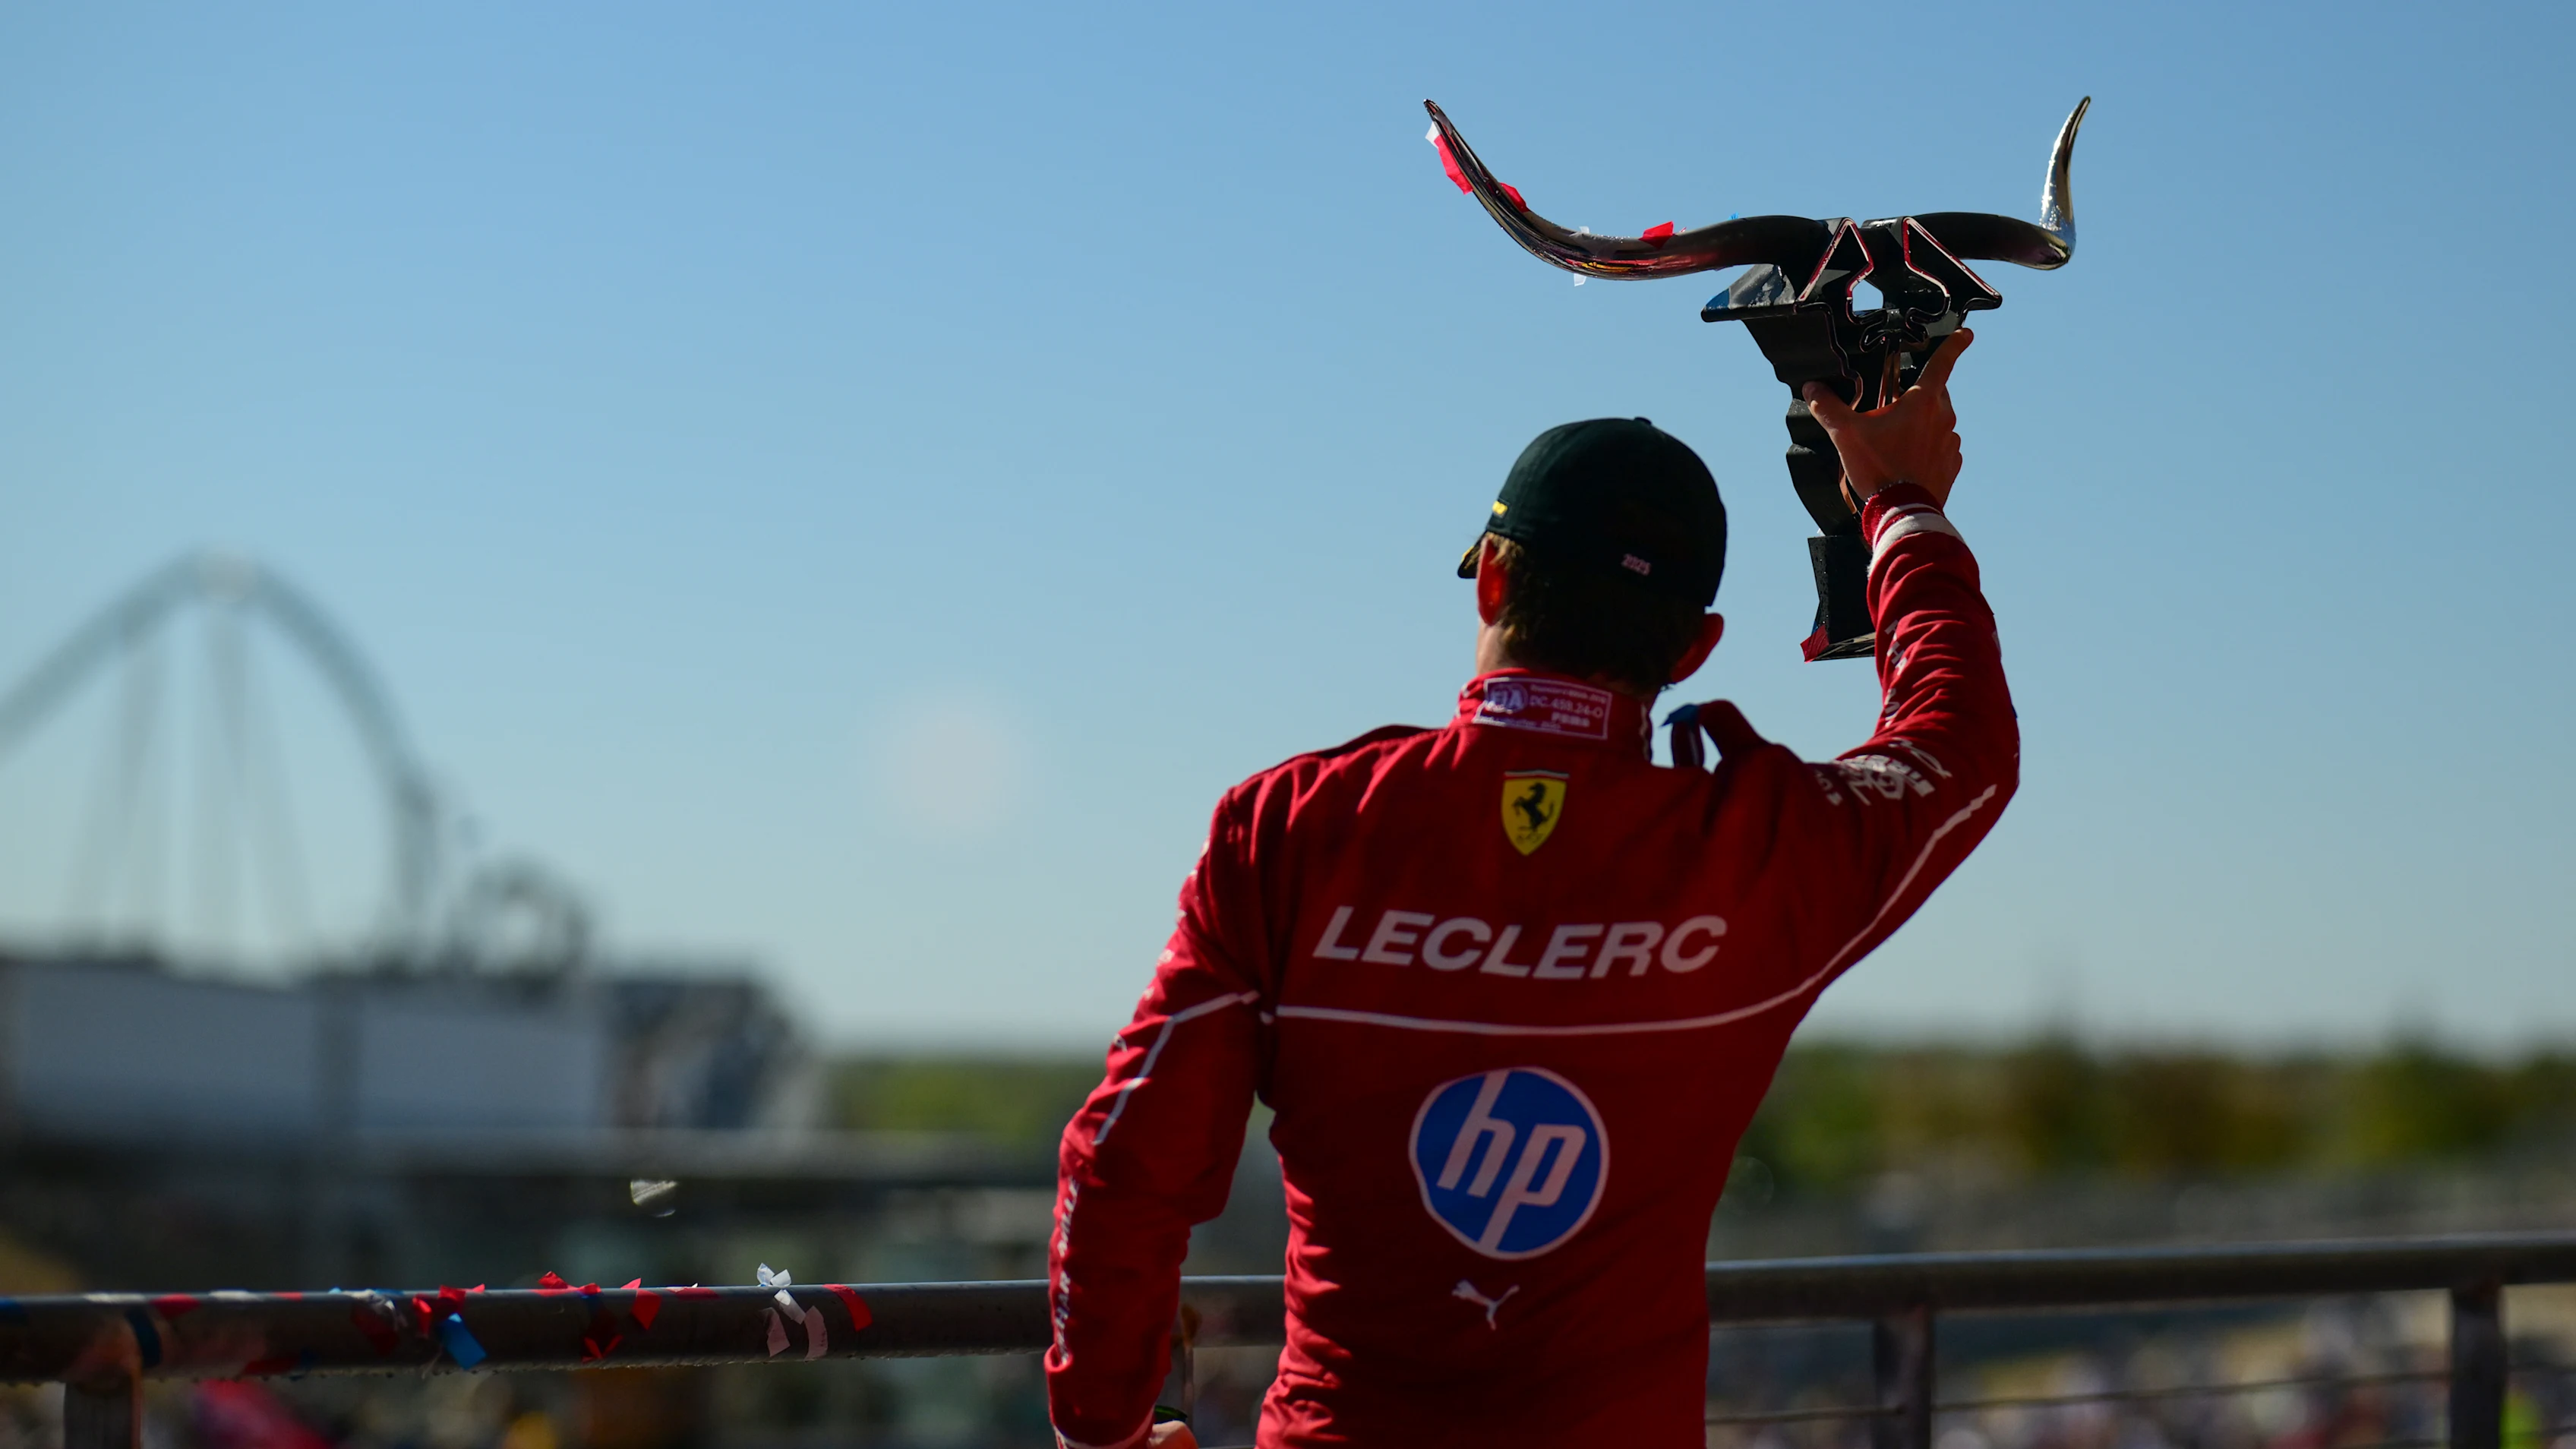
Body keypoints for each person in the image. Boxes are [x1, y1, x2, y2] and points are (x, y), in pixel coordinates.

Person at [1046, 330, 2013, 1449]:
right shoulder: (1760, 849)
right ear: (1696, 649)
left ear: (1495, 579)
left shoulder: (1291, 829)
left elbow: (1121, 1167)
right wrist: (1901, 506)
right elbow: (1960, 746)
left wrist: (1107, 1431)